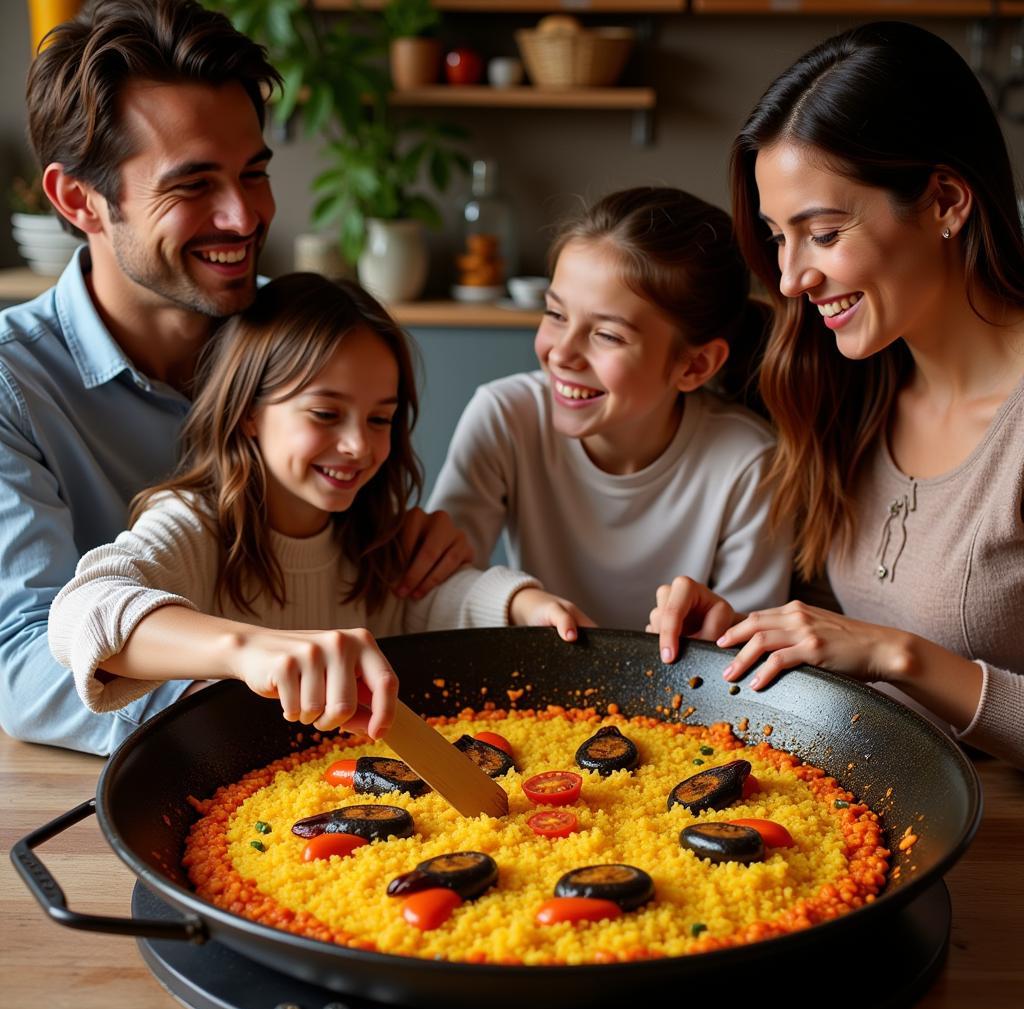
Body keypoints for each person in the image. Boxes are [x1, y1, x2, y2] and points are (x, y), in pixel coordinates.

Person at [0, 0, 467, 755]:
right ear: (78, 200)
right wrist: (252, 682)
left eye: (254, 173)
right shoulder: (10, 385)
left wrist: (413, 542)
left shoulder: (300, 340)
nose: (245, 216)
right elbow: (21, 664)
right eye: (193, 186)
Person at [650, 22, 1024, 769]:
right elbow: (851, 652)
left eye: (822, 233)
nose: (790, 278)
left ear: (946, 200)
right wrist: (749, 638)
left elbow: (882, 653)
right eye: (777, 237)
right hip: (885, 815)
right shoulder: (850, 388)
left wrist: (898, 656)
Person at [48, 274, 589, 737]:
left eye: (380, 419)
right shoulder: (195, 522)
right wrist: (246, 650)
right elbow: (80, 616)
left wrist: (524, 605)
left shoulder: (372, 531)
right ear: (248, 413)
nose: (359, 445)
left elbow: (442, 600)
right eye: (326, 414)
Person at [428, 187, 792, 629]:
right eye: (556, 314)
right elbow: (437, 587)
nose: (562, 354)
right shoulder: (505, 416)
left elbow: (749, 647)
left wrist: (709, 640)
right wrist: (519, 602)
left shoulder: (749, 462)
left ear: (694, 365)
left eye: (607, 335)